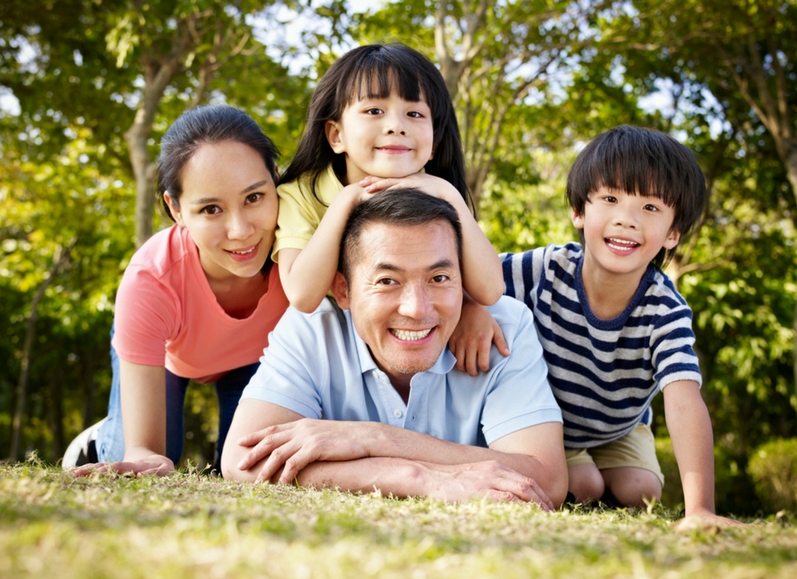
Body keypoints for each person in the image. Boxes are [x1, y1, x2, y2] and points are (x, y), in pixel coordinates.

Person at [222, 188, 567, 508]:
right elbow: (243, 462)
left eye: (439, 278)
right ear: (342, 290)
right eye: (387, 281)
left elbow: (547, 479)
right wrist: (417, 478)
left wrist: (374, 439)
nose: (417, 309)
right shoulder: (311, 330)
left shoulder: (503, 328)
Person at [495, 125, 739, 524]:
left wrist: (700, 510)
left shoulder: (665, 309)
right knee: (583, 486)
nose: (626, 220)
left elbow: (682, 397)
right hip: (549, 424)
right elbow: (472, 279)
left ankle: (614, 472)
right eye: (610, 199)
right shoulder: (544, 269)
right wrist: (473, 309)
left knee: (640, 492)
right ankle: (583, 471)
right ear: (579, 211)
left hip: (618, 427)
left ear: (672, 233)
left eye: (650, 208)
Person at [63, 105, 290, 476]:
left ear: (276, 179)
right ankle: (100, 437)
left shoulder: (302, 253)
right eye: (211, 209)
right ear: (176, 209)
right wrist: (142, 452)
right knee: (150, 457)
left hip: (256, 359)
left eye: (254, 198)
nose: (241, 230)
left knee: (251, 465)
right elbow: (145, 451)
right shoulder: (151, 279)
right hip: (169, 357)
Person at [273, 43, 505, 335]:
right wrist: (347, 199)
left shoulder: (438, 195)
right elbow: (302, 296)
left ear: (434, 144)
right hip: (332, 337)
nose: (396, 125)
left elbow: (490, 290)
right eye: (374, 110)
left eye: (415, 114)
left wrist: (449, 195)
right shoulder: (301, 194)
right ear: (336, 135)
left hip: (412, 328)